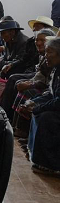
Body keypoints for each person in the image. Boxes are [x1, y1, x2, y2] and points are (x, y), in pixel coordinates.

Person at [21, 37, 60, 176]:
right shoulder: (56, 70)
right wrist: (33, 102)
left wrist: (38, 107)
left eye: (50, 52)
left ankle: (51, 164)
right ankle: (36, 154)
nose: (46, 56)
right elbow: (51, 93)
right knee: (36, 110)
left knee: (45, 117)